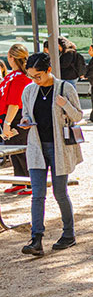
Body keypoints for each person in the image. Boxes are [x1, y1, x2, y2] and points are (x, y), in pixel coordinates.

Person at [19, 52, 83, 256]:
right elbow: (26, 115)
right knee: (37, 194)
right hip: (36, 147)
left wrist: (65, 105)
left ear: (48, 70)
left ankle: (69, 234)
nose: (34, 80)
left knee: (59, 193)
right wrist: (25, 123)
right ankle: (36, 238)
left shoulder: (65, 88)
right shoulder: (29, 90)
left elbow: (78, 116)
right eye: (31, 76)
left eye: (37, 76)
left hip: (59, 148)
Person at [1, 44, 33, 194]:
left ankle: (30, 182)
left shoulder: (21, 77)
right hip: (7, 117)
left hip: (15, 117)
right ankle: (19, 179)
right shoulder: (12, 75)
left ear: (11, 57)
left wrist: (7, 123)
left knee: (21, 149)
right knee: (13, 151)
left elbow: (14, 103)